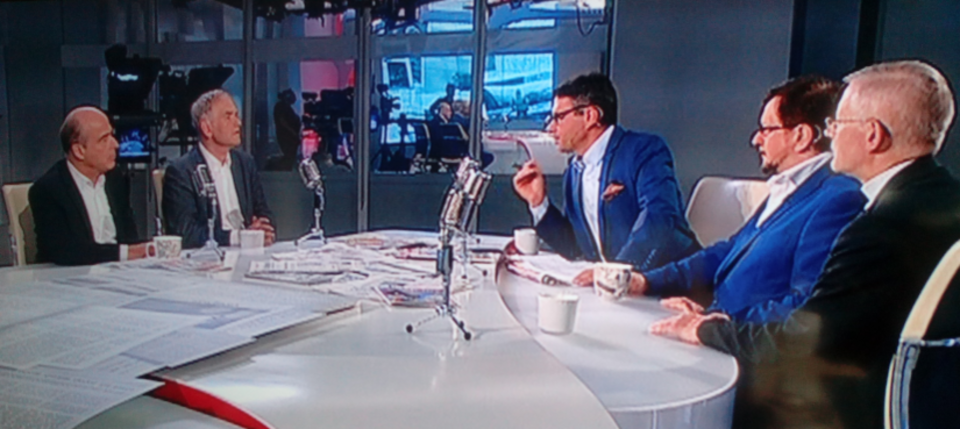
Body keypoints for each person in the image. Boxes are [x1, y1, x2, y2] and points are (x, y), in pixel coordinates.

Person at [650, 60, 960, 429]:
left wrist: (706, 329)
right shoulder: (942, 198)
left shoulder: (879, 226)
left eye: (837, 124)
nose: (829, 134)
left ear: (872, 135)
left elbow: (806, 340)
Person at [615, 76, 864, 323]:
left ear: (801, 136)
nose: (756, 139)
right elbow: (728, 252)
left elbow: (803, 307)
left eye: (766, 130)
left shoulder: (837, 200)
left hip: (739, 340)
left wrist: (713, 323)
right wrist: (646, 282)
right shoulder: (789, 187)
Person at [513, 73, 698, 272]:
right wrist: (539, 203)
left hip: (673, 281)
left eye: (559, 117)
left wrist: (614, 274)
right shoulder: (573, 172)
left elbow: (659, 218)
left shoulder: (644, 151)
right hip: (615, 286)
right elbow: (574, 247)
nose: (551, 127)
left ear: (590, 116)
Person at [29, 106, 151, 265]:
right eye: (104, 139)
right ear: (79, 150)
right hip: (70, 276)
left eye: (112, 135)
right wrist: (127, 253)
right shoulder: (48, 189)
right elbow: (65, 251)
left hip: (119, 271)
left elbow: (129, 235)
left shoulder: (115, 178)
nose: (116, 144)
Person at [163, 89, 275, 249]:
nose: (238, 123)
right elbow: (185, 233)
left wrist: (264, 229)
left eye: (236, 115)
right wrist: (238, 237)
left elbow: (264, 213)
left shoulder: (245, 163)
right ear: (206, 128)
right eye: (228, 116)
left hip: (250, 252)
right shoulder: (181, 171)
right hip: (209, 258)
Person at [271, 89, 300, 170]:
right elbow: (282, 122)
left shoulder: (288, 107)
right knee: (289, 155)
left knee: (291, 157)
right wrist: (292, 132)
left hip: (291, 137)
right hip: (286, 137)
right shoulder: (280, 106)